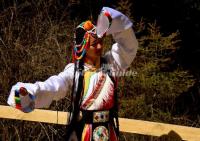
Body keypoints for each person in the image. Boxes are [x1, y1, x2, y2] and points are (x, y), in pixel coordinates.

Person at [7, 7, 138, 141]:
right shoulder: (75, 71)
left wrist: (112, 18)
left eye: (101, 42)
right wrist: (28, 92)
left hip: (109, 133)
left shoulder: (111, 64)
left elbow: (129, 47)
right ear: (84, 46)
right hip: (84, 133)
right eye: (94, 44)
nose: (99, 47)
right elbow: (55, 85)